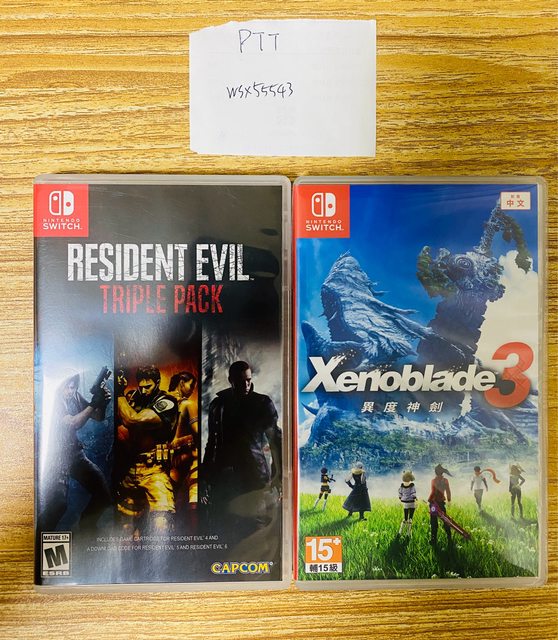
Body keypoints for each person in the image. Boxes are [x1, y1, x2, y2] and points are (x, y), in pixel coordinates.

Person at [202, 360, 282, 536]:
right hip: (224, 477)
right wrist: (205, 478)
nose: (246, 385)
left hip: (254, 475)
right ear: (231, 380)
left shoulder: (262, 403)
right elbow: (211, 443)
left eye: (248, 380)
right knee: (224, 527)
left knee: (255, 526)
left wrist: (278, 475)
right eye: (241, 381)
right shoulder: (218, 405)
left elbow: (275, 440)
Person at [38, 372, 111, 533]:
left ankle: (87, 529)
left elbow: (97, 416)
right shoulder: (54, 400)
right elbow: (72, 423)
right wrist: (94, 403)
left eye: (73, 387)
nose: (70, 391)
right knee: (58, 504)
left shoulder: (75, 396)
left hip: (74, 454)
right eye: (68, 387)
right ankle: (40, 538)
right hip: (56, 458)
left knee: (104, 494)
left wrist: (102, 402)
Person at [116, 365, 178, 535]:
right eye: (141, 386)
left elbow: (134, 420)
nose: (143, 391)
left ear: (157, 382)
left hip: (154, 470)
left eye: (148, 386)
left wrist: (119, 394)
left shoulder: (167, 402)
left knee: (161, 524)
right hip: (129, 470)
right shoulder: (133, 398)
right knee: (125, 529)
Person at [168, 371, 199, 525]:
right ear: (182, 382)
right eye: (191, 385)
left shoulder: (163, 402)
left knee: (170, 504)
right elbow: (198, 433)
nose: (193, 389)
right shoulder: (189, 404)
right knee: (193, 502)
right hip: (188, 459)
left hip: (168, 462)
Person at [428, 464, 452, 545]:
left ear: (435, 472)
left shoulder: (433, 481)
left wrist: (429, 500)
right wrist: (449, 500)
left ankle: (433, 540)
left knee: (433, 521)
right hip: (441, 503)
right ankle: (449, 537)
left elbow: (433, 492)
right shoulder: (445, 480)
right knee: (445, 520)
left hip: (433, 503)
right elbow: (448, 491)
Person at [398, 470, 417, 536]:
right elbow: (413, 494)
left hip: (405, 504)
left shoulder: (401, 486)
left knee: (405, 518)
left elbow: (400, 494)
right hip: (412, 503)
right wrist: (415, 499)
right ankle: (408, 533)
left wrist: (401, 498)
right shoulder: (412, 485)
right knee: (410, 519)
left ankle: (400, 532)